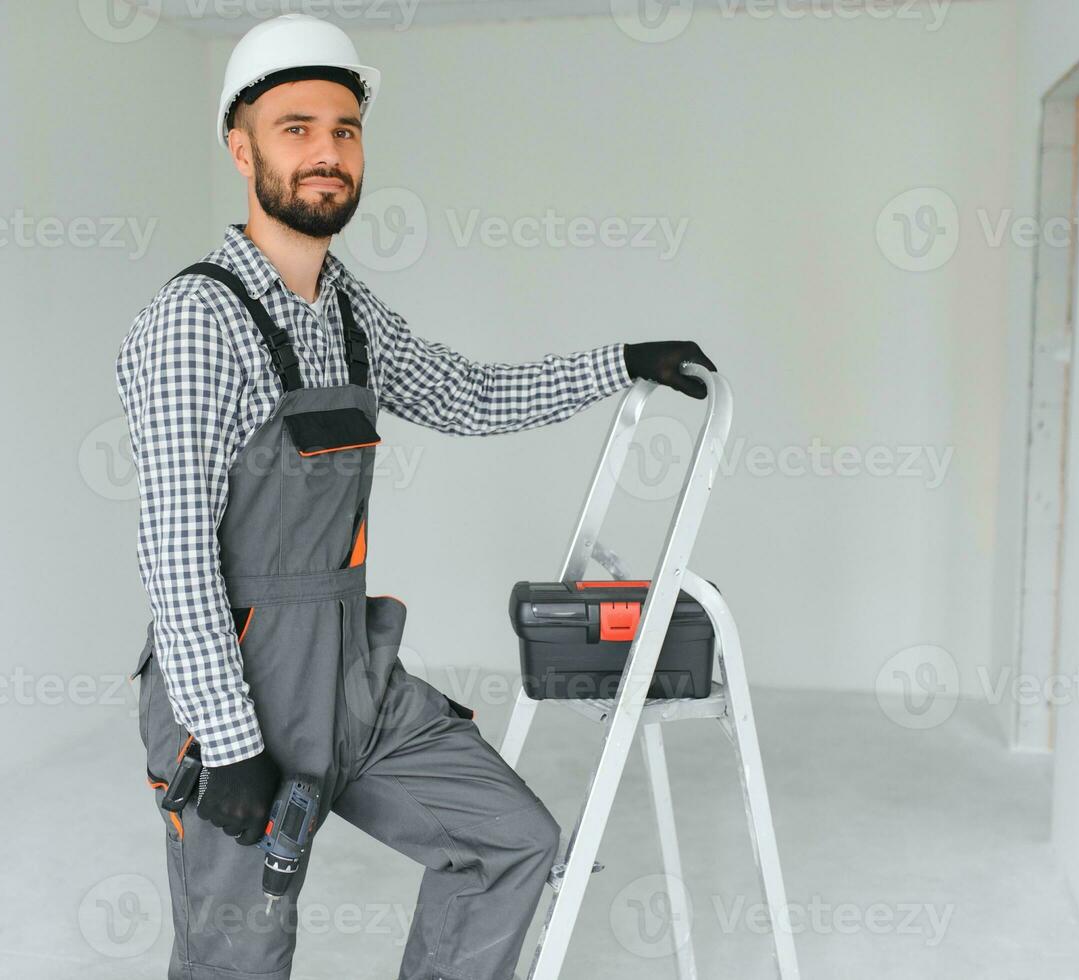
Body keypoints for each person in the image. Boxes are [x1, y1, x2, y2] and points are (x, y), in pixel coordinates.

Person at [114, 14, 714, 980]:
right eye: (295, 127)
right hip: (231, 688)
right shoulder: (198, 320)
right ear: (241, 147)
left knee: (510, 840)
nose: (325, 153)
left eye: (343, 130)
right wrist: (228, 743)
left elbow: (465, 393)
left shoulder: (344, 307)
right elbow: (174, 552)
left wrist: (621, 363)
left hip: (350, 676)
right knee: (238, 959)